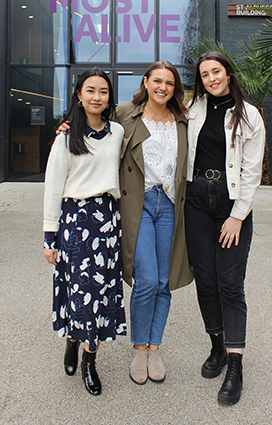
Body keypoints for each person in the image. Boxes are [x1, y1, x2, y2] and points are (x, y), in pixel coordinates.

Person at [57, 61, 193, 385]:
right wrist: (67, 127)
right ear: (145, 82)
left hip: (171, 204)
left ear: (175, 89)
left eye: (169, 83)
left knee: (163, 281)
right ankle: (138, 349)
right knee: (145, 280)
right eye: (157, 81)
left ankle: (154, 348)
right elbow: (93, 125)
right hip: (139, 204)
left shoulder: (184, 119)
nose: (162, 87)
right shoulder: (124, 113)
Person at [185, 51, 265, 405]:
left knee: (230, 284)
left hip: (231, 204)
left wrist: (238, 215)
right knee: (206, 281)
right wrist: (75, 121)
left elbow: (251, 171)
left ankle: (235, 364)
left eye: (215, 71)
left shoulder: (249, 116)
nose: (211, 78)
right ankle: (216, 346)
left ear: (228, 73)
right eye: (204, 74)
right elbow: (149, 116)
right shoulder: (193, 109)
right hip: (198, 200)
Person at [43, 68, 126, 396]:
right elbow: (53, 187)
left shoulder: (118, 132)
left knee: (101, 290)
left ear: (109, 97)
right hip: (75, 221)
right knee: (79, 291)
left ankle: (90, 360)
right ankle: (72, 341)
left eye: (103, 91)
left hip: (107, 220)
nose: (96, 97)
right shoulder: (65, 138)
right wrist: (50, 236)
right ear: (78, 95)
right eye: (90, 90)